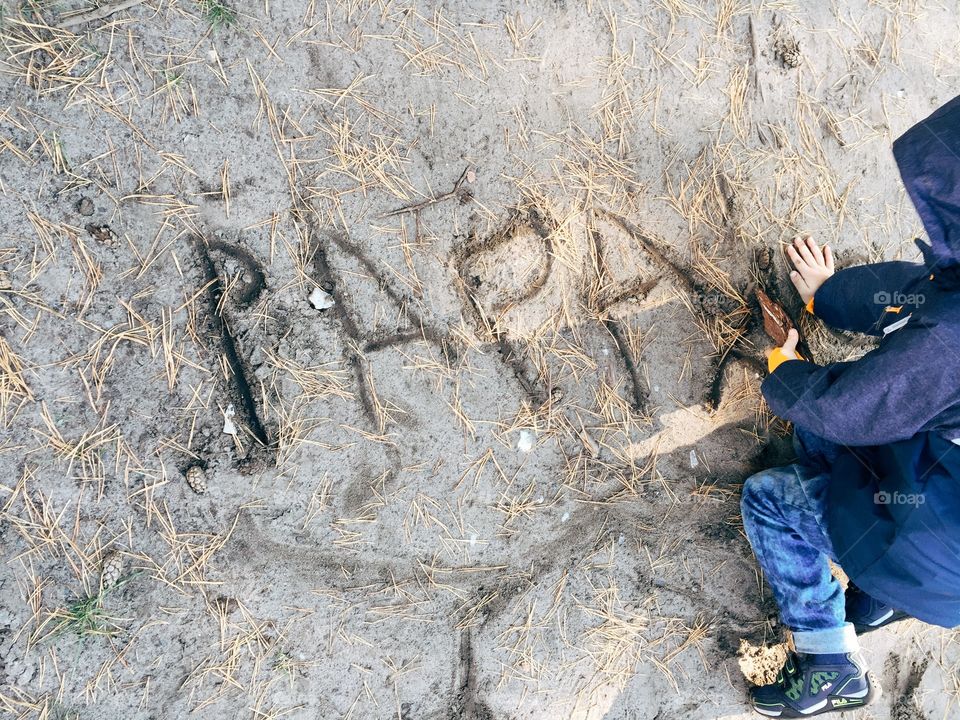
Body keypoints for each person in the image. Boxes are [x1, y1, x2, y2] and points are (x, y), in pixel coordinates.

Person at [741, 94, 960, 718]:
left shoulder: (951, 342)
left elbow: (853, 408)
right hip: (944, 529)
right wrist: (829, 297)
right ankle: (878, 596)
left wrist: (786, 371)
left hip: (925, 539)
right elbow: (920, 298)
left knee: (771, 500)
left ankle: (827, 658)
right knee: (833, 448)